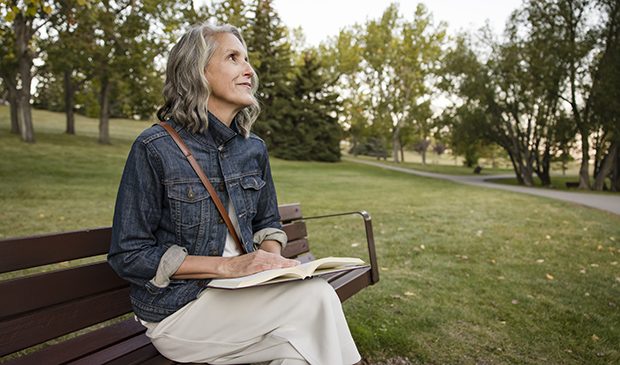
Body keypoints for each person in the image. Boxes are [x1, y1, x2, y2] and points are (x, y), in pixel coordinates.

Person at [107, 23, 362, 365]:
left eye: (247, 59)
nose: (249, 70)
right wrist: (229, 266)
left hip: (247, 295)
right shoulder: (155, 148)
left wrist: (271, 263)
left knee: (300, 352)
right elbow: (129, 254)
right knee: (317, 298)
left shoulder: (253, 148)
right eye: (233, 57)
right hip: (179, 310)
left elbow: (268, 222)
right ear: (197, 71)